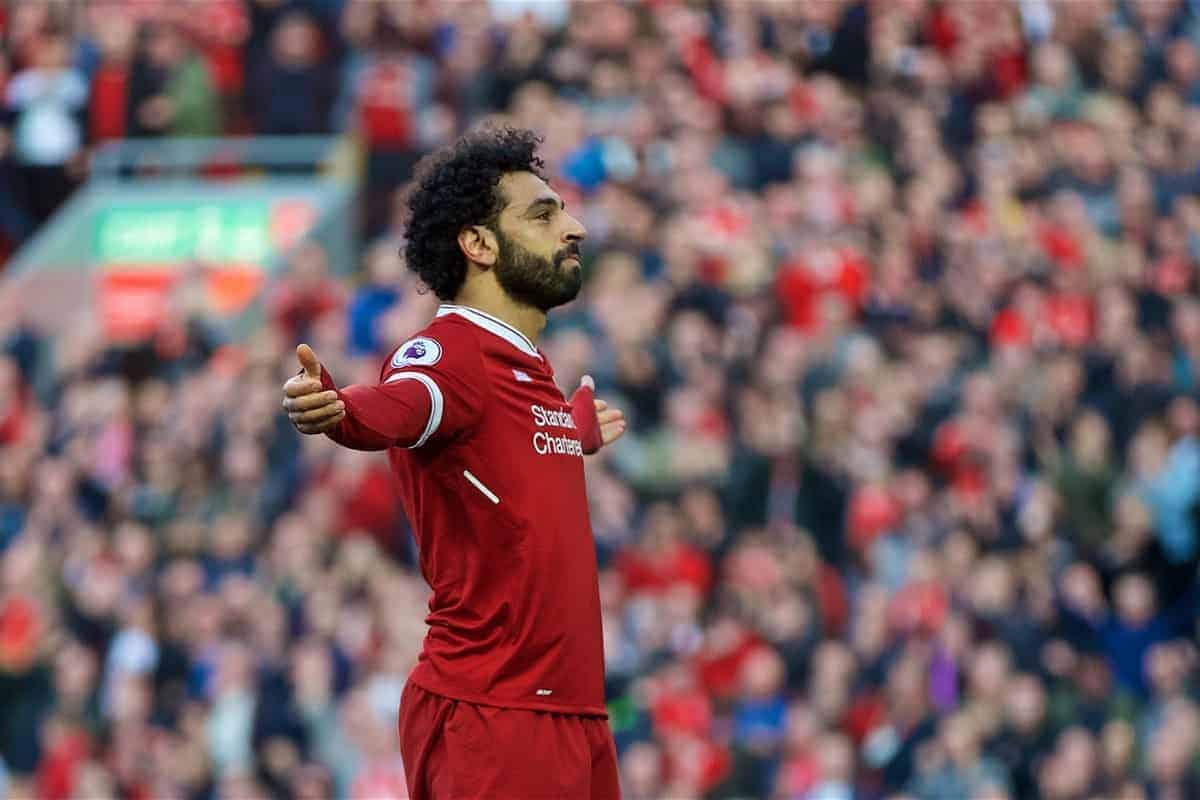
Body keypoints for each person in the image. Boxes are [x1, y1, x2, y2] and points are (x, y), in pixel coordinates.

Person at [280, 125, 627, 799]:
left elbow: (508, 456)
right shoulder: (449, 353)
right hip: (496, 717)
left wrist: (572, 429)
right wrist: (338, 409)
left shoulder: (523, 373)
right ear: (478, 244)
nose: (574, 227)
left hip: (567, 712)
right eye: (544, 214)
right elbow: (401, 404)